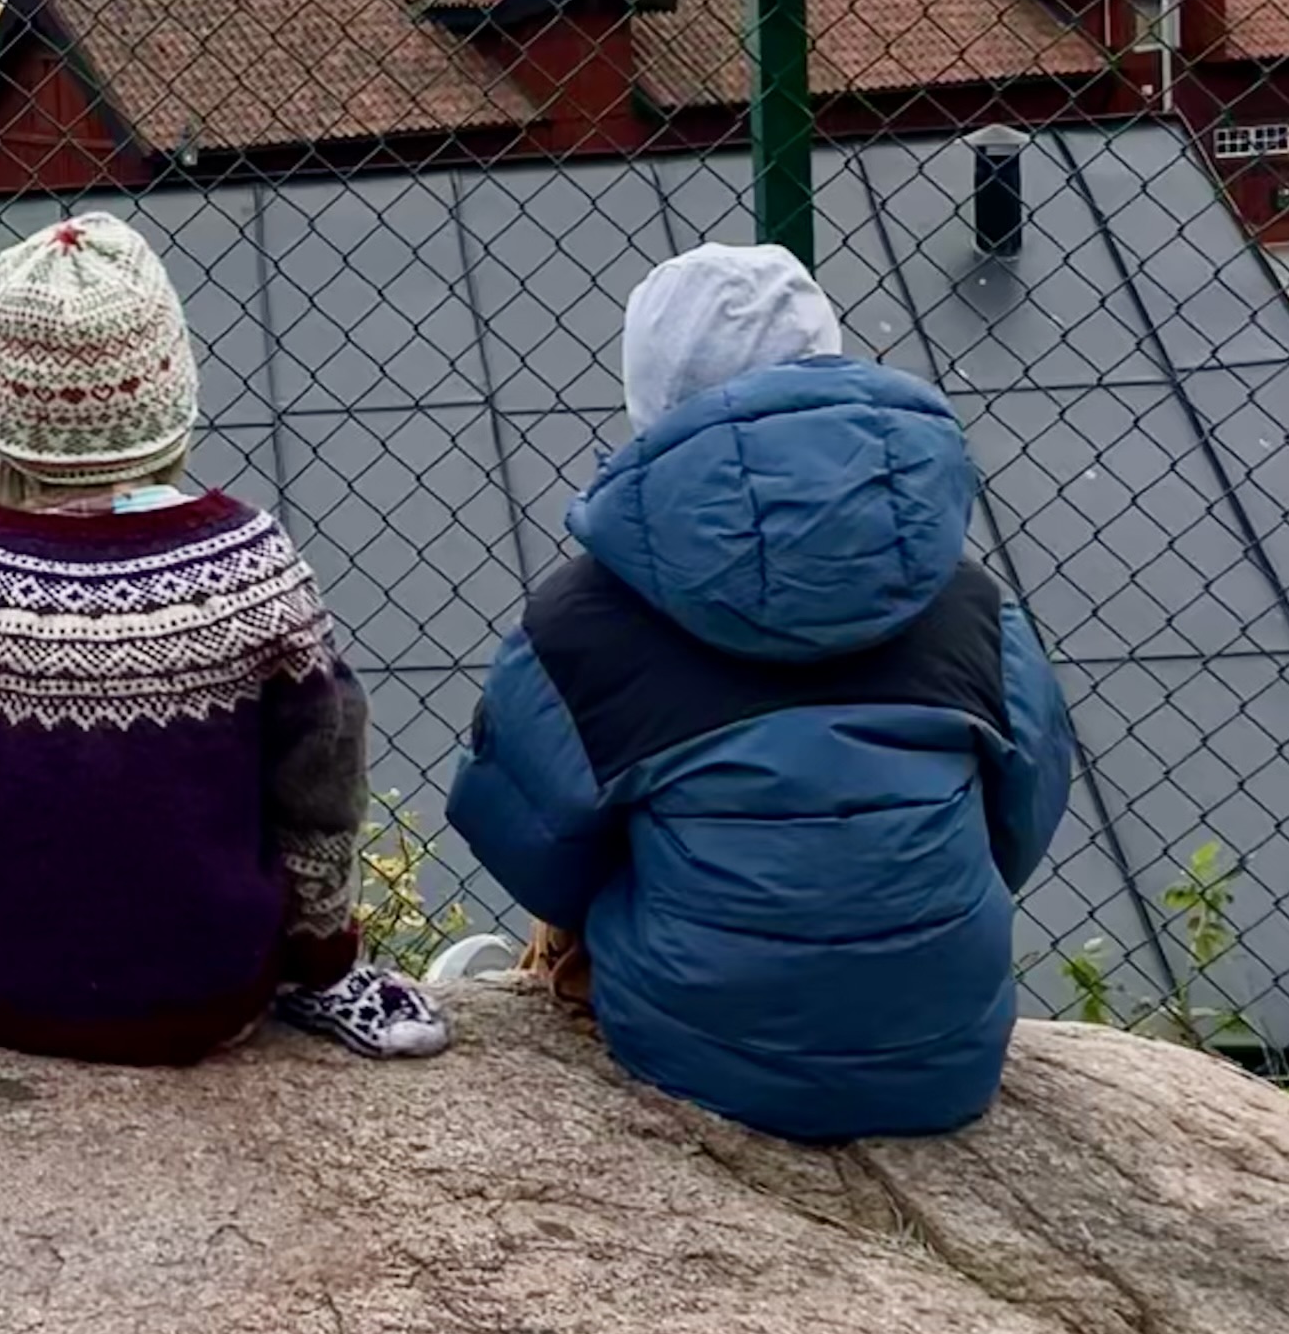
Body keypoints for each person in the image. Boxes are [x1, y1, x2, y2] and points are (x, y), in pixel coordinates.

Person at [446, 242, 1077, 1143]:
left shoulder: (580, 617)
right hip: (943, 1050)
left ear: (651, 399)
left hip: (698, 1050)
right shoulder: (967, 599)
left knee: (596, 825)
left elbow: (532, 851)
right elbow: (1022, 817)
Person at [0, 213, 448, 1067]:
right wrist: (320, 954)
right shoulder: (253, 564)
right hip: (216, 991)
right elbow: (321, 781)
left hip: (0, 992)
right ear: (169, 389)